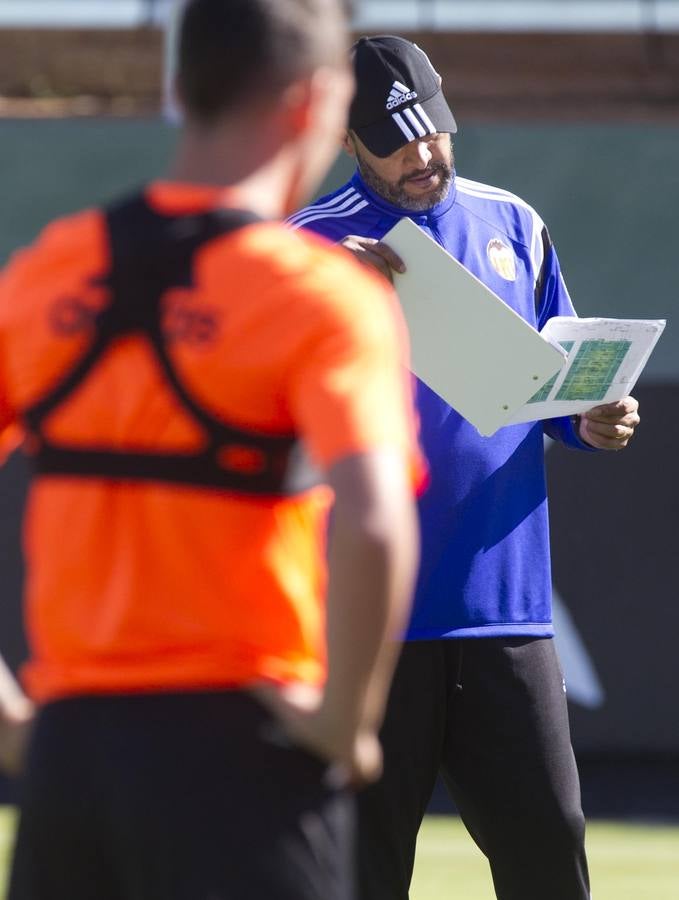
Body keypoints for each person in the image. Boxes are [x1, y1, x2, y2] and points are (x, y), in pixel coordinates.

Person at [0, 6, 425, 899]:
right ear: (315, 103)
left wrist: (11, 719)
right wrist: (347, 721)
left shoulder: (47, 274)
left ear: (178, 89)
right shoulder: (322, 296)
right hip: (250, 751)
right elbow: (376, 522)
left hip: (71, 762)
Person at [289, 34, 641, 900]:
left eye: (434, 130)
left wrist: (593, 417)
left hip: (504, 618)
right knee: (364, 872)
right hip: (370, 624)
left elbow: (551, 393)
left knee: (550, 855)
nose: (423, 153)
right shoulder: (301, 249)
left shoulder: (513, 223)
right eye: (396, 137)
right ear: (344, 137)